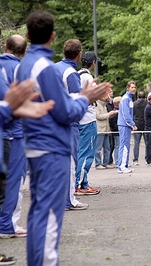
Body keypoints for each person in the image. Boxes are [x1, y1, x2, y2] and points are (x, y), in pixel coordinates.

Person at [16, 11, 112, 266]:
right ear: (53, 36)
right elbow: (64, 112)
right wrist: (85, 98)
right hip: (50, 146)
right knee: (49, 216)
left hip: (34, 143)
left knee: (39, 212)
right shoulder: (44, 68)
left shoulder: (24, 64)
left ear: (27, 36)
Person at [0, 66, 55, 266]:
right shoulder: (20, 68)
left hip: (9, 132)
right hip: (14, 134)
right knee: (13, 183)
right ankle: (8, 224)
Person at [54, 39, 89, 210]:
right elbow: (76, 100)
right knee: (71, 162)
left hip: (52, 121)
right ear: (79, 54)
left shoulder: (55, 67)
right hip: (68, 123)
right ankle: (69, 200)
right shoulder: (71, 73)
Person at [0, 34, 29, 239]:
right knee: (15, 179)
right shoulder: (21, 70)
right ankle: (8, 223)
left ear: (5, 46)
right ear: (23, 51)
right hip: (15, 130)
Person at [75, 51, 102, 195]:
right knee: (87, 153)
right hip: (88, 120)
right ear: (93, 63)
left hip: (79, 119)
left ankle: (81, 182)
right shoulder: (87, 77)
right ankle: (80, 185)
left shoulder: (77, 74)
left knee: (80, 151)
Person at [117, 81, 137, 173]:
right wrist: (132, 124)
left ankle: (123, 165)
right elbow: (126, 114)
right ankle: (122, 166)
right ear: (128, 88)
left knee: (125, 145)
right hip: (124, 125)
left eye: (134, 87)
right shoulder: (126, 99)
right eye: (132, 87)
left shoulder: (129, 98)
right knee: (124, 145)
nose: (133, 89)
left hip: (125, 125)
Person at [95, 92, 118, 169]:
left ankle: (106, 162)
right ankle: (98, 163)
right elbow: (98, 116)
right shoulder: (96, 104)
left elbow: (106, 118)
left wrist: (112, 115)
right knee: (98, 148)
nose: (107, 98)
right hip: (100, 129)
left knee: (107, 147)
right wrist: (109, 114)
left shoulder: (104, 105)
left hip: (106, 129)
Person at [133, 91, 146, 165]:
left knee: (136, 143)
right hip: (145, 124)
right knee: (147, 143)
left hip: (137, 124)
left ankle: (135, 159)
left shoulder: (134, 103)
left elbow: (133, 113)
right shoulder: (147, 103)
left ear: (138, 96)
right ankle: (148, 159)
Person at [109, 96, 122, 167]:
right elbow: (113, 123)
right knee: (118, 146)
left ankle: (119, 161)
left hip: (118, 131)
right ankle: (117, 161)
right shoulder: (114, 112)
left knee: (119, 146)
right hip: (116, 131)